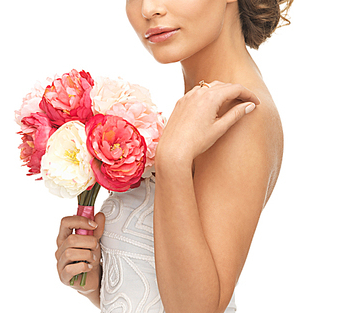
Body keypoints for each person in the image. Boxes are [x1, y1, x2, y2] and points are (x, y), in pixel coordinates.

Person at [55, 0, 292, 311]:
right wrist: (100, 283)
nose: (149, 8)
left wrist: (172, 159)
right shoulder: (201, 110)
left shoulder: (240, 115)